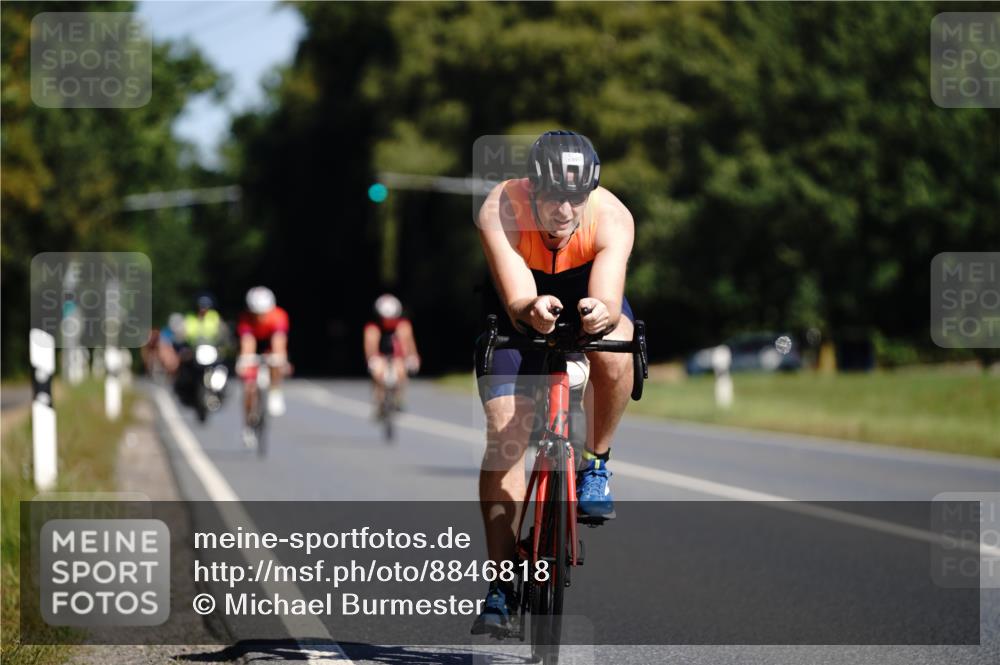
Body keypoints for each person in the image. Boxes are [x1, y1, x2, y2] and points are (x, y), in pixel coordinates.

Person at [471, 130, 636, 635]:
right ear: (531, 187)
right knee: (506, 434)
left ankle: (598, 463)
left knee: (619, 343)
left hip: (585, 298)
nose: (564, 210)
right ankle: (500, 583)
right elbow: (519, 294)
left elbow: (608, 297)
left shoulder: (612, 217)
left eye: (575, 198)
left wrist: (599, 313)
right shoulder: (500, 207)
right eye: (552, 197)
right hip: (519, 308)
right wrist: (529, 309)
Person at [235, 287, 290, 443]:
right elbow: (247, 343)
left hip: (269, 345)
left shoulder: (279, 316)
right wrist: (244, 361)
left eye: (263, 313)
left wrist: (280, 360)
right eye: (256, 314)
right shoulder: (245, 319)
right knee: (248, 387)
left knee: (277, 360)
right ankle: (247, 425)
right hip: (253, 346)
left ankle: (275, 391)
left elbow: (279, 342)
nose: (260, 317)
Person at [363, 294, 421, 414]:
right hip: (380, 356)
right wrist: (371, 359)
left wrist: (413, 357)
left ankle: (399, 398)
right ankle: (378, 400)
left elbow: (409, 343)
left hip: (397, 357)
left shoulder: (403, 326)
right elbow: (370, 345)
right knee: (378, 372)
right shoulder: (372, 328)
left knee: (401, 372)